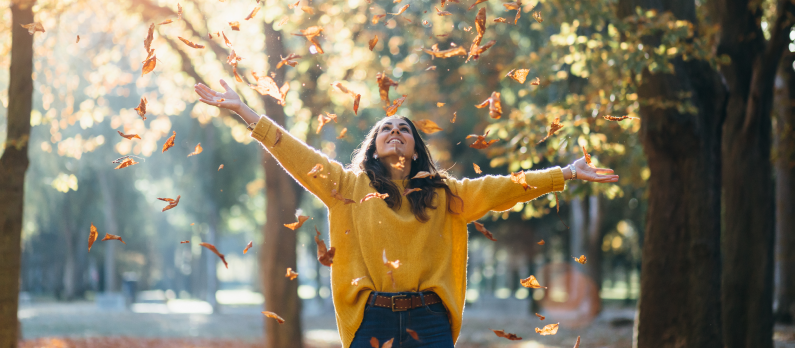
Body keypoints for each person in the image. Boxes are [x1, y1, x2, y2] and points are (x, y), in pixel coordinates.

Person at [194, 79, 618, 348]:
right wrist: (243, 111)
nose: (395, 132)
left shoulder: (445, 193)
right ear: (373, 146)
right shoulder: (346, 187)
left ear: (415, 148)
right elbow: (294, 153)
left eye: (404, 130)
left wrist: (565, 172)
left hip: (429, 320)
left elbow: (505, 187)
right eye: (386, 129)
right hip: (371, 319)